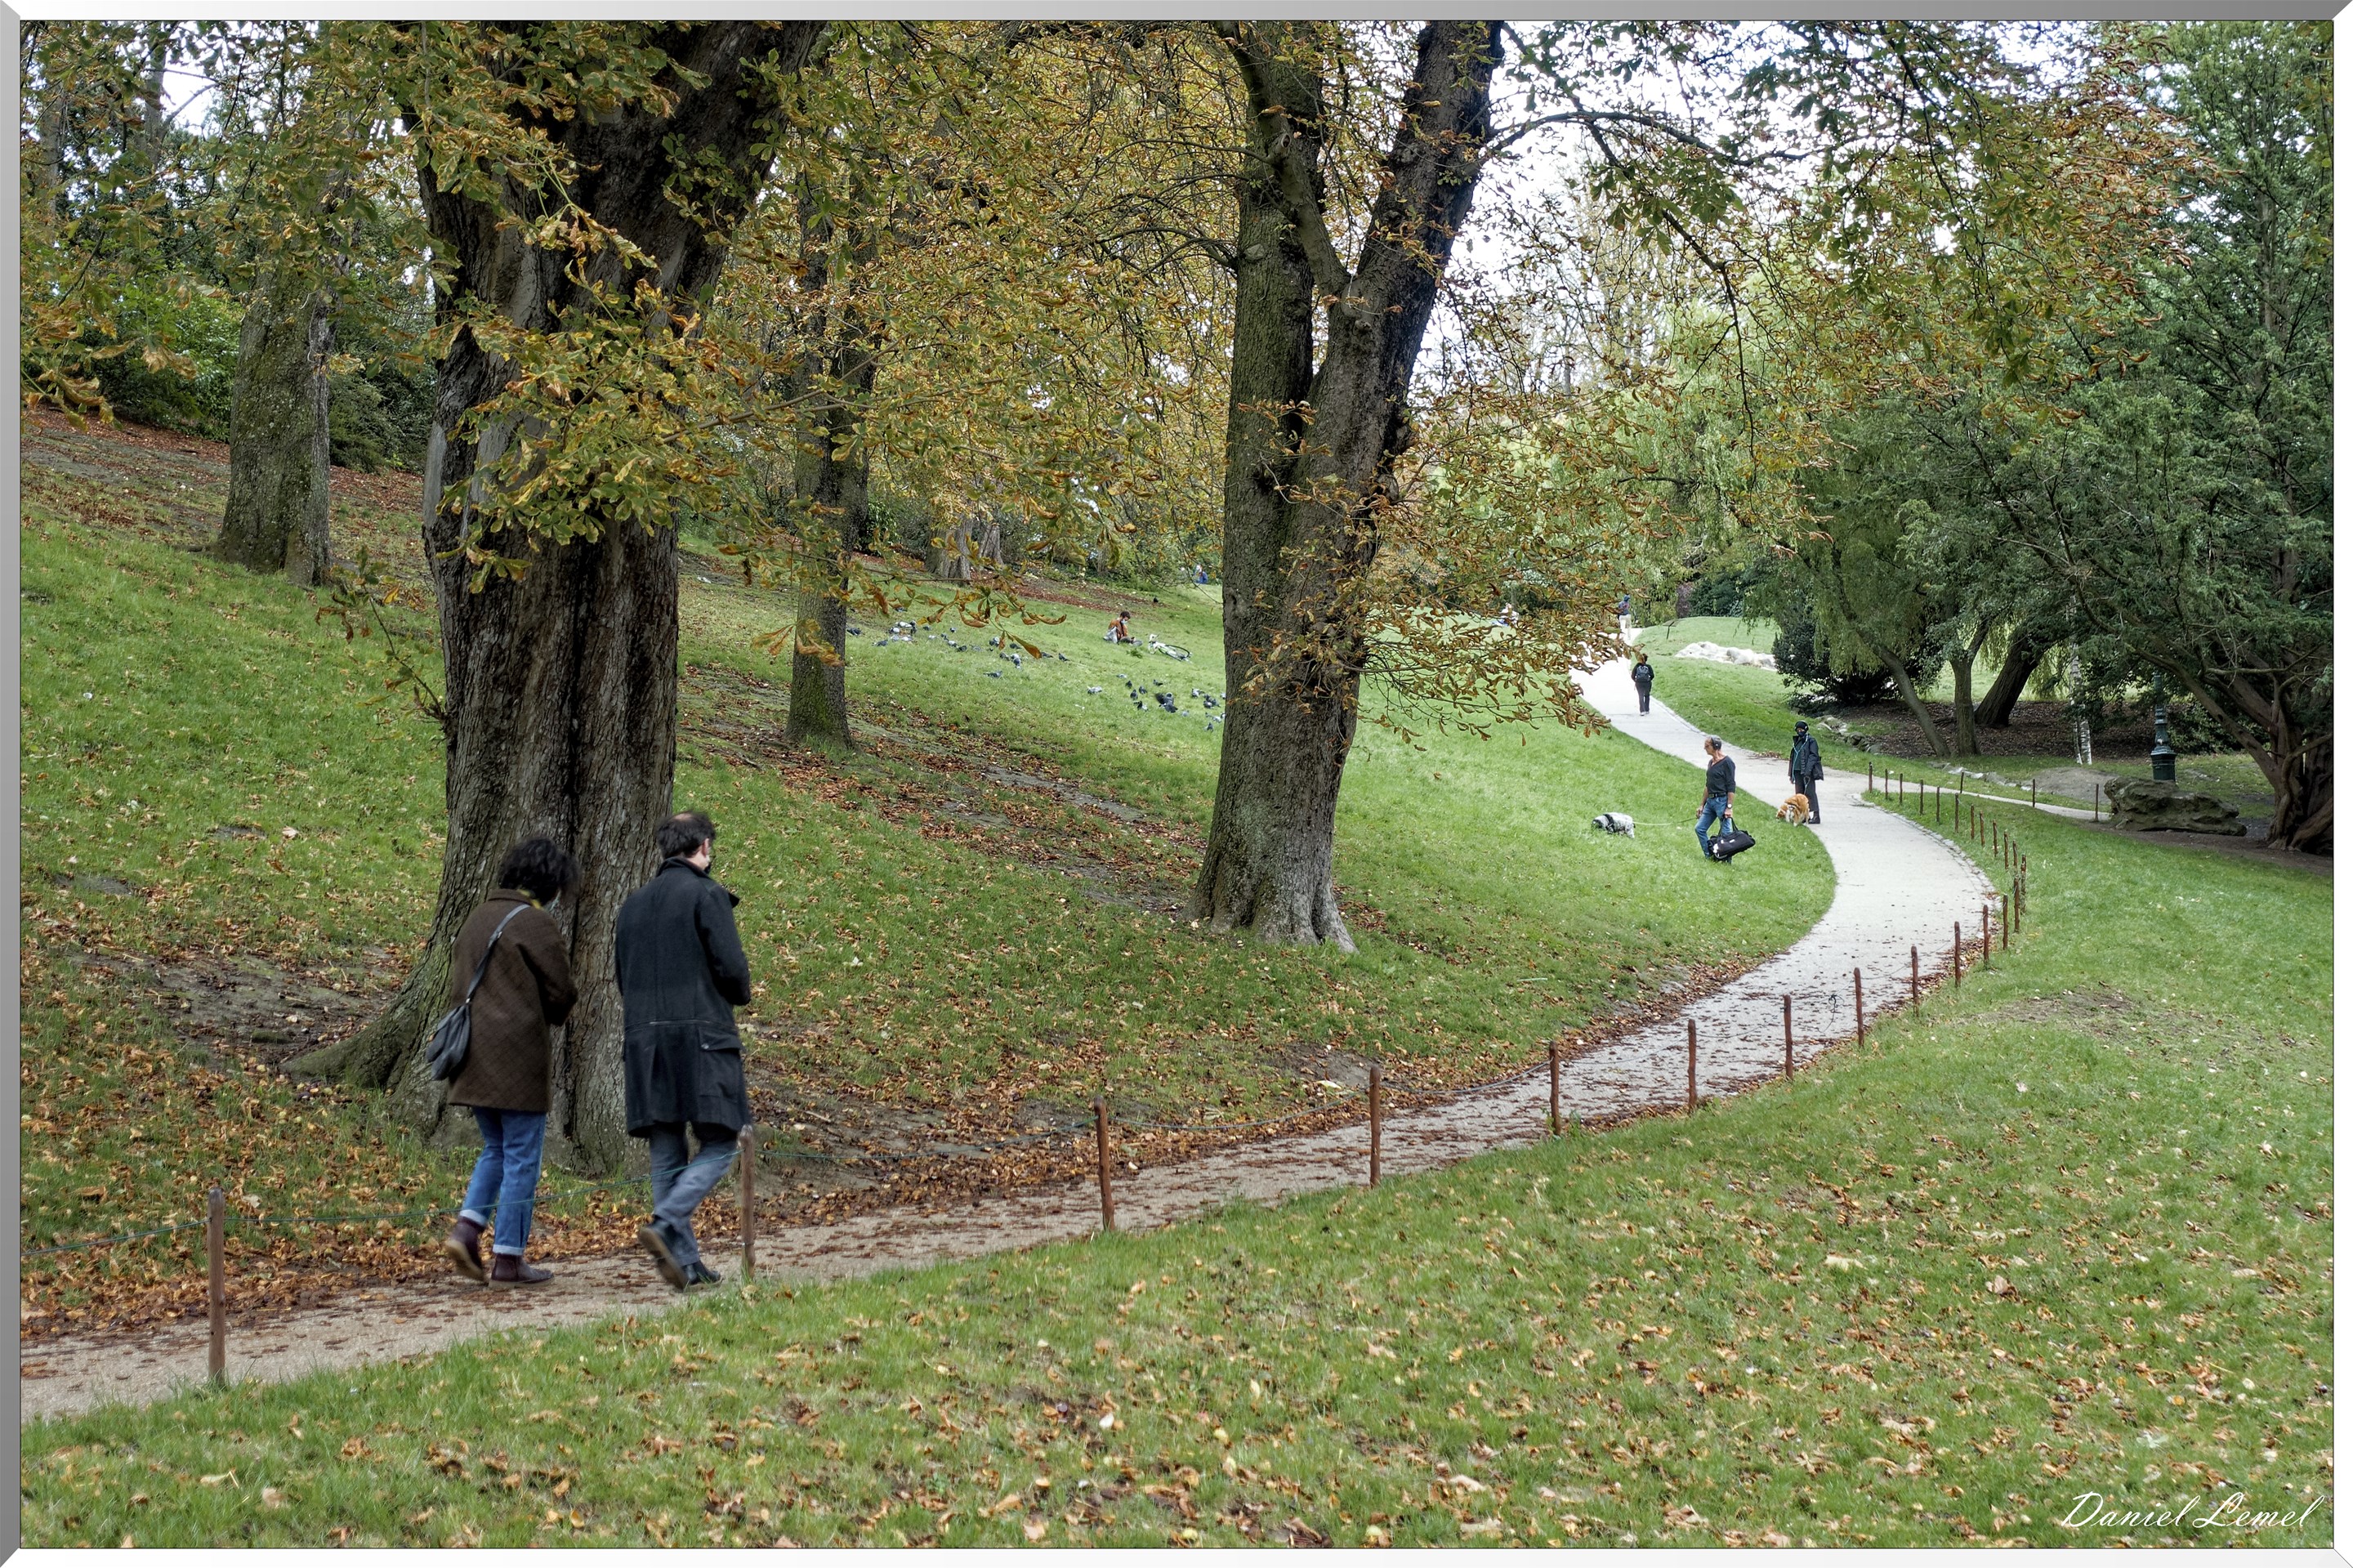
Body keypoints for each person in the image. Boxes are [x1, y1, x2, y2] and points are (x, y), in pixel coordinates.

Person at [617, 811, 753, 1289]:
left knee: (666, 1146)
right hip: (701, 1037)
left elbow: (622, 978)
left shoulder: (631, 906)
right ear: (704, 848)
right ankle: (666, 1221)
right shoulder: (707, 894)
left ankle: (685, 1263)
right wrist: (738, 993)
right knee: (723, 1139)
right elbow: (733, 971)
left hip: (644, 1041)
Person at [442, 837, 580, 1287]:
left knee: (496, 1148)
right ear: (549, 884)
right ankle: (508, 1258)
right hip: (518, 1057)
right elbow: (561, 996)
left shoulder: (475, 918)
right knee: (522, 1156)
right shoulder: (536, 924)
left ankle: (466, 1229)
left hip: (471, 1054)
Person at [1696, 735, 1736, 859]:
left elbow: (1731, 786)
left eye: (1707, 745)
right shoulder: (1711, 763)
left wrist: (1729, 807)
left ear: (1716, 747)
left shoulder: (1727, 763)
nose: (1704, 748)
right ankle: (1710, 855)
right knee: (1700, 829)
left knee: (1726, 834)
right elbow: (1708, 785)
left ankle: (1726, 860)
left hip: (1722, 801)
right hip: (1710, 801)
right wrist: (1702, 804)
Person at [1789, 719, 1824, 824]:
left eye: (1802, 729)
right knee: (1799, 795)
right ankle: (1804, 816)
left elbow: (1814, 756)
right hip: (1797, 771)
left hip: (1807, 772)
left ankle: (1816, 816)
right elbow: (1793, 757)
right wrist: (1791, 774)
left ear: (1806, 730)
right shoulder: (1797, 741)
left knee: (1810, 793)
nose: (1800, 731)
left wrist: (1808, 770)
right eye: (1798, 729)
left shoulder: (1811, 741)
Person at [1631, 651, 1655, 716]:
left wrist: (1636, 680)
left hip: (1639, 683)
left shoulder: (1637, 666)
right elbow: (1652, 675)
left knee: (1640, 696)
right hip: (1647, 683)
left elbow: (1632, 676)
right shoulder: (1648, 666)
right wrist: (1648, 680)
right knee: (1647, 695)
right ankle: (1647, 709)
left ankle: (1642, 711)